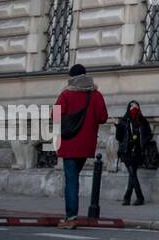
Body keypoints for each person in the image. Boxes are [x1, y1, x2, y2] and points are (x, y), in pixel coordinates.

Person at [54, 64, 109, 229]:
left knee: (71, 180)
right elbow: (103, 117)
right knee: (74, 178)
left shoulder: (66, 94)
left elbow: (55, 115)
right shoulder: (96, 95)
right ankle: (70, 215)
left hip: (70, 142)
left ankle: (71, 217)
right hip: (86, 144)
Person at [115, 100, 153, 206]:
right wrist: (117, 127)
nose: (133, 108)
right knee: (132, 173)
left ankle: (127, 197)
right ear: (128, 108)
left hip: (138, 152)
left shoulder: (142, 121)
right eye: (131, 106)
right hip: (126, 152)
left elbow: (149, 134)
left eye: (135, 106)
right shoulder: (124, 121)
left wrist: (143, 142)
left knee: (132, 174)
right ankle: (139, 197)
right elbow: (119, 137)